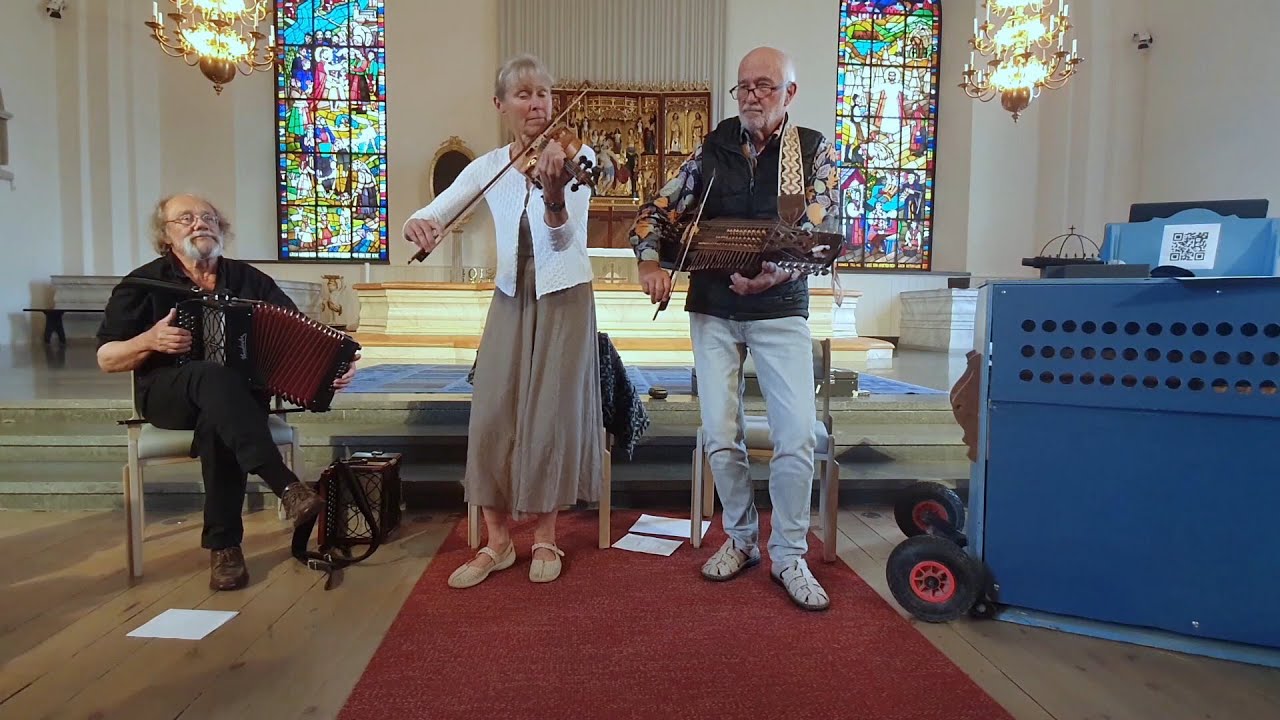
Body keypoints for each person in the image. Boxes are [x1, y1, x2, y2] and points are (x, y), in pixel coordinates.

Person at [627, 47, 839, 611]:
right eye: (743, 86)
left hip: (780, 308)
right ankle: (742, 539)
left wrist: (777, 274)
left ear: (789, 93)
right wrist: (651, 261)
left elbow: (827, 224)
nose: (751, 96)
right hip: (715, 308)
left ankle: (789, 554)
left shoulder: (813, 151)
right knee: (721, 432)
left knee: (796, 436)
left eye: (764, 86)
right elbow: (659, 206)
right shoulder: (713, 147)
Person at [403, 53, 603, 588]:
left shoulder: (579, 157)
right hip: (512, 292)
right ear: (501, 105)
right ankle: (496, 543)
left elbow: (562, 237)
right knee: (491, 409)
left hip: (564, 294)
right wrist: (418, 226)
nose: (536, 103)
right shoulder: (488, 165)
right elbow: (434, 211)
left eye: (543, 93)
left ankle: (544, 537)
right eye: (523, 94)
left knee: (549, 414)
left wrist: (555, 195)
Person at [96, 193, 359, 591]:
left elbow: (302, 335)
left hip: (234, 404)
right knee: (211, 379)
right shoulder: (141, 285)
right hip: (167, 396)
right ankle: (285, 484)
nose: (199, 223)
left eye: (208, 217)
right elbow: (106, 357)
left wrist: (333, 369)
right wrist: (148, 340)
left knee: (218, 414)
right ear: (165, 235)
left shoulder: (250, 280)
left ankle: (226, 549)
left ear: (221, 229)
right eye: (185, 218)